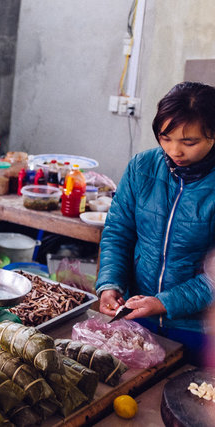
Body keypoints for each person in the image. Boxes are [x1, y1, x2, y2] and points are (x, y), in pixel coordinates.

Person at [96, 81, 215, 364]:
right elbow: (118, 233)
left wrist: (164, 302)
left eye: (190, 142)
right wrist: (110, 283)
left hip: (200, 332)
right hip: (138, 319)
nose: (175, 150)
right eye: (166, 137)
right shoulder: (143, 167)